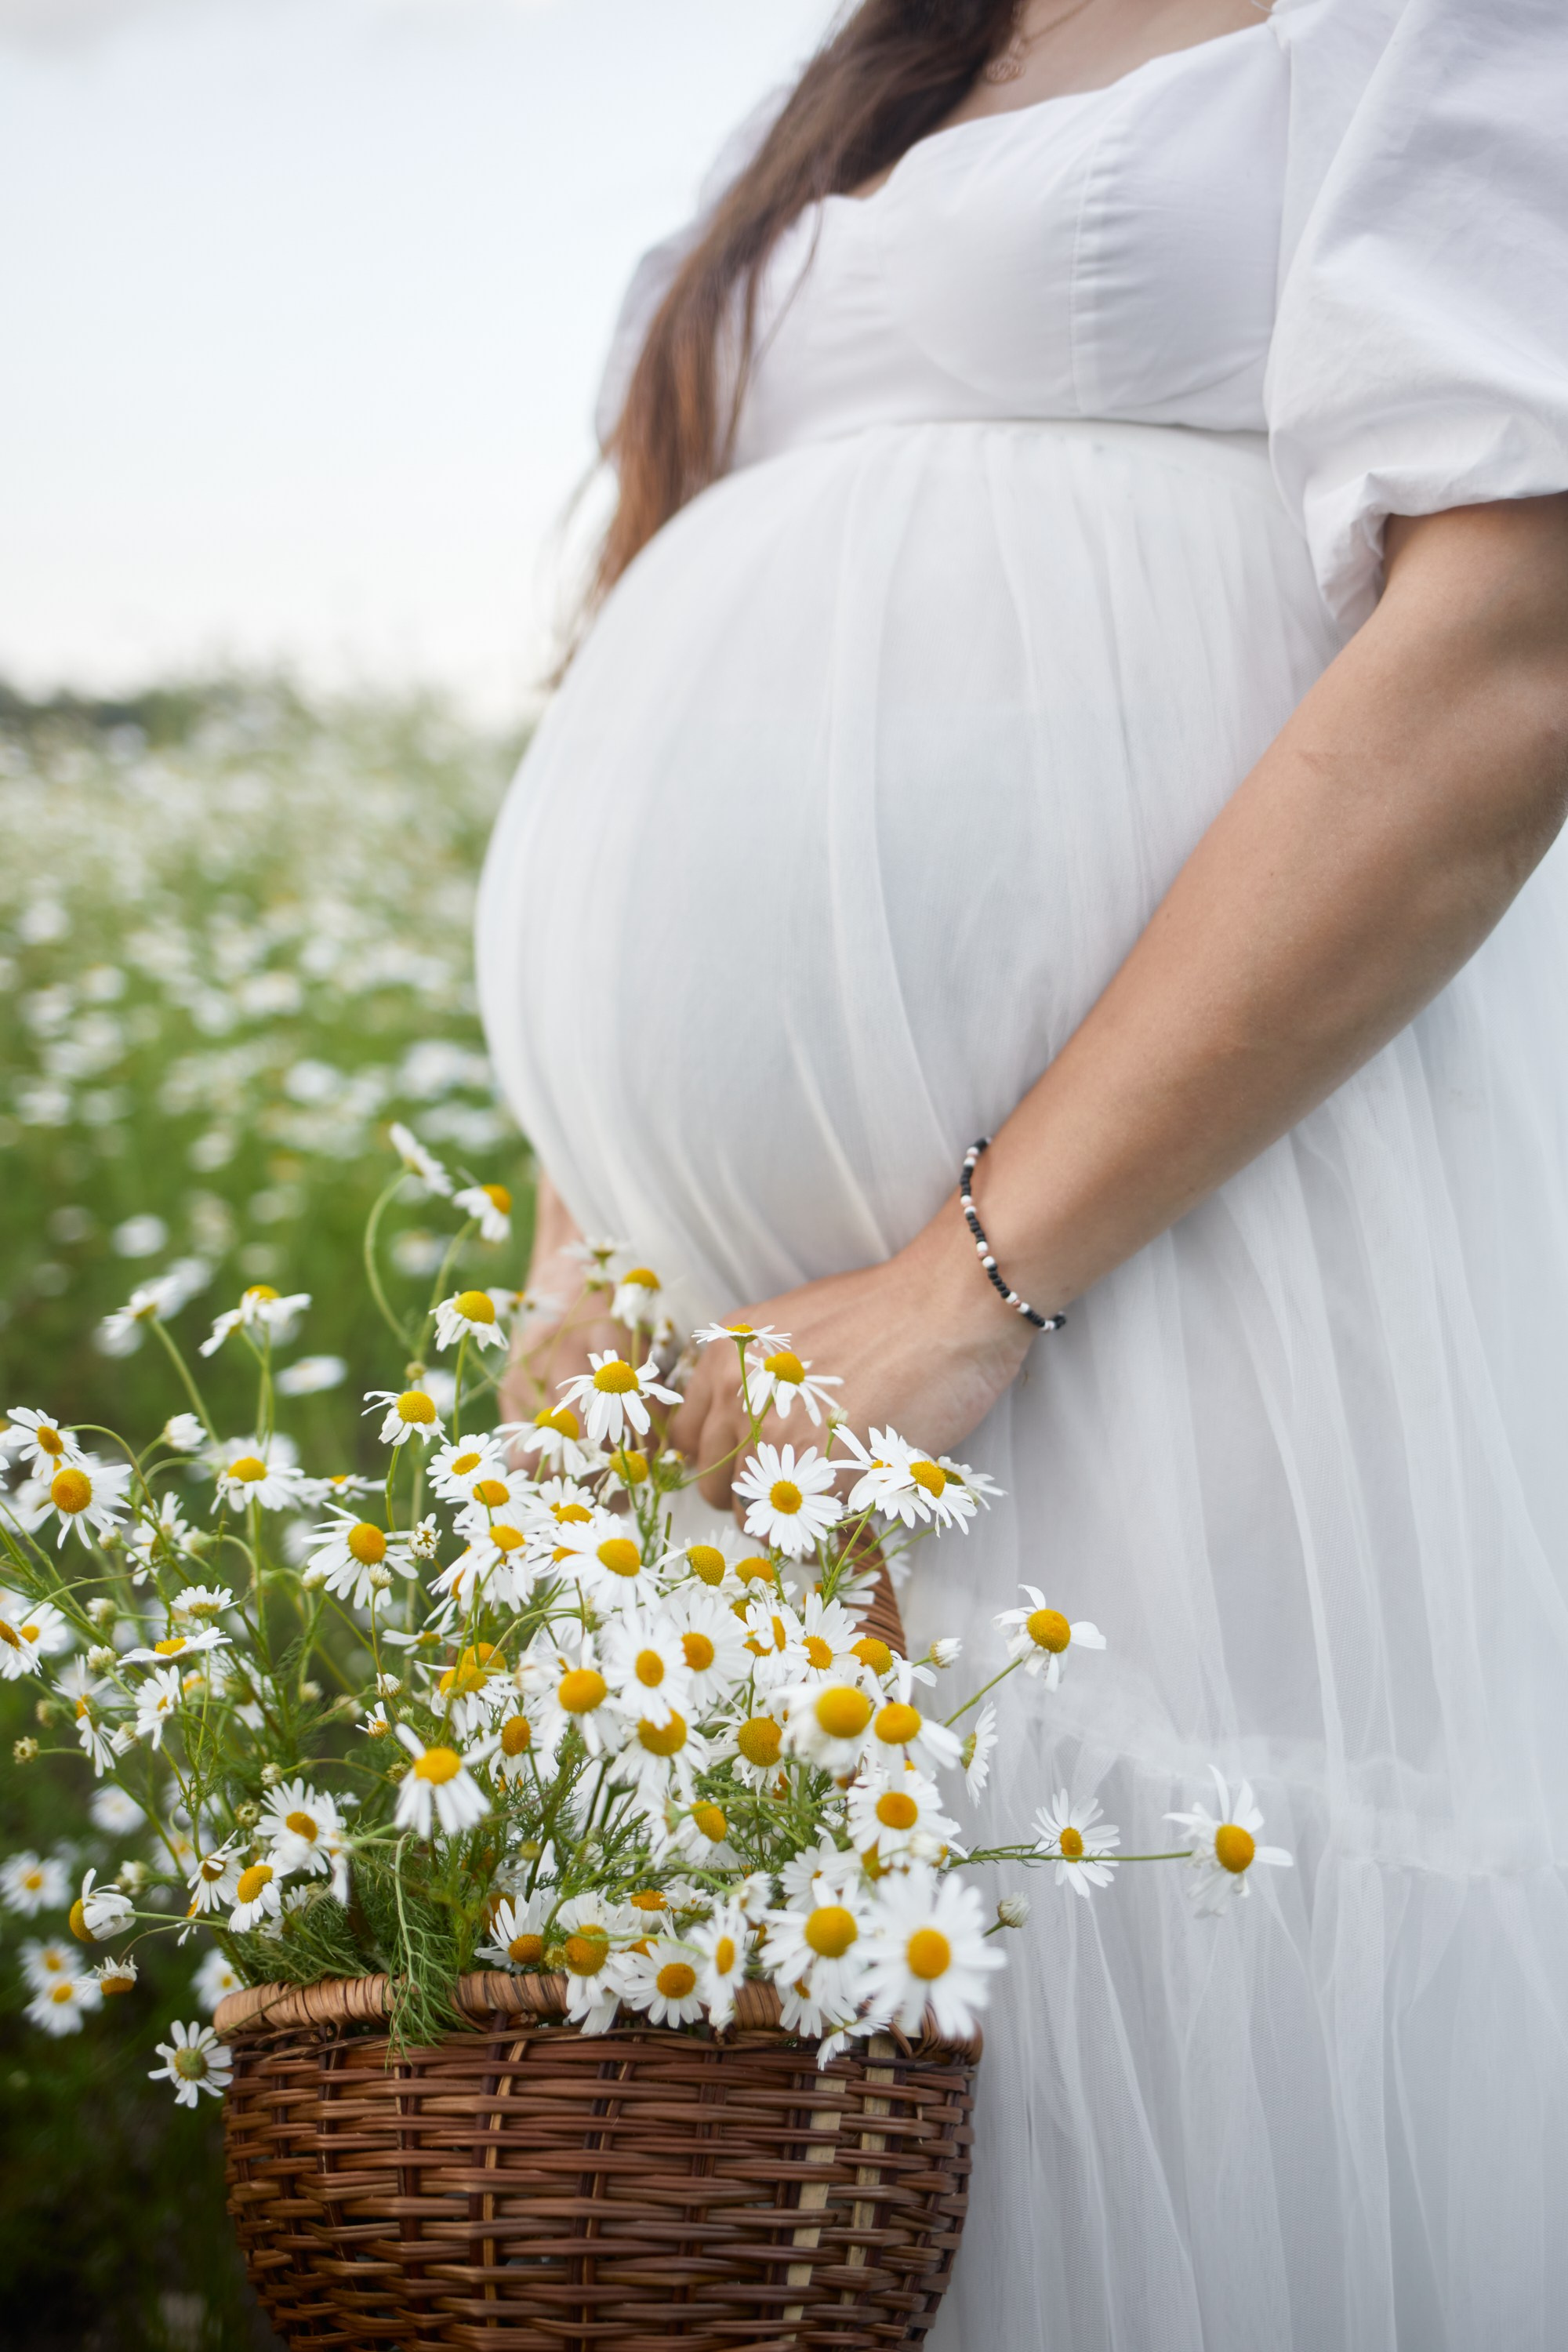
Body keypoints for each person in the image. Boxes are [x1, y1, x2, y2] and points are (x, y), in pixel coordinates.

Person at [476, 2, 1568, 2343]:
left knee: (1139, 1968)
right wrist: (586, 1248)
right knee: (773, 2134)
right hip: (746, 1343)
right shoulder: (861, 78)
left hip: (1188, 1245)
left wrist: (969, 1284)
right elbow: (643, 665)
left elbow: (1513, 638)